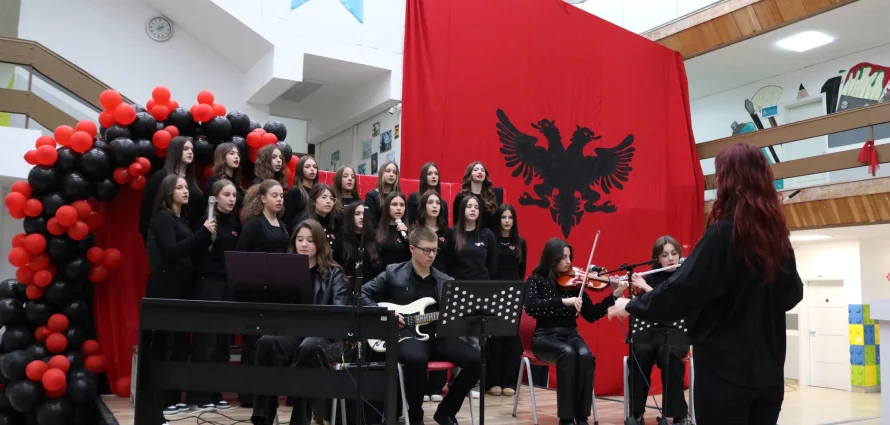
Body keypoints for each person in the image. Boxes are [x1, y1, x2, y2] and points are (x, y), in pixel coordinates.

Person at [608, 142, 804, 425]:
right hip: (769, 376)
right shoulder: (776, 240)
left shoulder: (723, 234)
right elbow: (792, 295)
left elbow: (682, 291)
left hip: (725, 377)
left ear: (727, 181)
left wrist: (633, 304)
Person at [361, 227, 480, 425]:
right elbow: (363, 293)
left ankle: (446, 411)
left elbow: (455, 317)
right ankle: (415, 413)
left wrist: (470, 314)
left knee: (476, 360)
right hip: (405, 333)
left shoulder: (445, 281)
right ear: (412, 249)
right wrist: (387, 314)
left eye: (435, 250)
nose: (431, 255)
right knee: (417, 358)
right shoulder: (393, 272)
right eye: (426, 250)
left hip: (437, 336)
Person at [250, 219, 350, 425]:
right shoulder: (285, 271)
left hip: (328, 339)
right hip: (294, 333)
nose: (304, 244)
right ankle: (262, 415)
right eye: (300, 239)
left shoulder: (334, 273)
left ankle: (300, 419)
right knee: (266, 342)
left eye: (310, 240)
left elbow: (338, 315)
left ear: (320, 243)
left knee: (309, 347)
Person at [524, 238, 627, 425]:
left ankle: (582, 417)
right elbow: (531, 307)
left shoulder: (575, 283)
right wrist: (563, 301)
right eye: (563, 257)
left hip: (570, 334)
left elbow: (592, 314)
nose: (569, 261)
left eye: (569, 257)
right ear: (552, 258)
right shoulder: (535, 280)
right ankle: (566, 418)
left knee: (586, 355)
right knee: (568, 353)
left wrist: (616, 295)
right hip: (544, 336)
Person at [145, 174, 216, 420]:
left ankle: (174, 398)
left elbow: (188, 248)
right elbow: (171, 251)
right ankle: (159, 401)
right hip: (166, 287)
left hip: (182, 287)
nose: (186, 191)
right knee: (165, 343)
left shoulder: (181, 219)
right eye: (180, 187)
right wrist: (200, 233)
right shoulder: (164, 217)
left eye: (187, 187)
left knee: (180, 344)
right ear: (167, 192)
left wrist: (203, 235)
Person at [234, 179, 289, 407]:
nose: (279, 199)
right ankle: (248, 394)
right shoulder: (255, 224)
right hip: (256, 291)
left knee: (271, 342)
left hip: (276, 292)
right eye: (274, 195)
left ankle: (267, 392)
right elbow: (239, 255)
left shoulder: (283, 225)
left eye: (281, 196)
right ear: (263, 198)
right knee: (253, 342)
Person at [187, 179, 241, 412]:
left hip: (227, 286)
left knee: (221, 341)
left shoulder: (235, 222)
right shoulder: (207, 221)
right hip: (208, 284)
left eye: (234, 195)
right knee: (206, 340)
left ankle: (216, 391)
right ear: (215, 197)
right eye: (227, 195)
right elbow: (196, 254)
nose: (231, 199)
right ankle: (199, 394)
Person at [625, 236, 688, 425]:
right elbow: (639, 307)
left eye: (674, 253)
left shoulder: (685, 276)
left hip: (677, 332)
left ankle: (678, 415)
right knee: (639, 351)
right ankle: (636, 413)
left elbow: (672, 303)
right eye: (665, 255)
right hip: (651, 332)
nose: (671, 258)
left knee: (668, 354)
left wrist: (647, 289)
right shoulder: (650, 277)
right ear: (657, 259)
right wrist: (627, 289)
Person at [485, 204, 526, 396]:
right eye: (503, 217)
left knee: (510, 338)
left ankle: (509, 381)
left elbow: (521, 270)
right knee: (494, 338)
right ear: (498, 219)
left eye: (510, 217)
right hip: (493, 291)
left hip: (514, 292)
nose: (507, 221)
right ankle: (492, 381)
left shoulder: (520, 242)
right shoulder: (490, 239)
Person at [139, 136, 201, 243]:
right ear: (175, 151)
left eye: (192, 149)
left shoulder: (193, 181)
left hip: (189, 242)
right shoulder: (160, 178)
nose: (190, 152)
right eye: (185, 149)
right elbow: (147, 213)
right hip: (166, 242)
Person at [362, 191, 411, 279]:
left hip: (403, 280)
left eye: (402, 205)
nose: (398, 208)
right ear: (387, 207)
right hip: (381, 279)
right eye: (394, 204)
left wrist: (408, 235)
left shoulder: (410, 233)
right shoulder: (376, 233)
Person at [446, 196, 497, 280]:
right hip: (459, 283)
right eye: (469, 206)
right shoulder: (452, 233)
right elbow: (447, 262)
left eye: (476, 207)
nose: (473, 209)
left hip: (482, 283)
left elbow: (493, 265)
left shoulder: (487, 234)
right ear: (462, 209)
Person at [451, 161, 502, 232]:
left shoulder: (491, 196)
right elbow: (457, 222)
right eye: (476, 170)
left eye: (482, 170)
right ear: (470, 174)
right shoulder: (461, 197)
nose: (480, 172)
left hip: (487, 238)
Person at [202, 142, 244, 213]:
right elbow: (206, 208)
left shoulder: (236, 182)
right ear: (222, 156)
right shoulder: (214, 181)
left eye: (238, 154)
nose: (236, 156)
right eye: (232, 153)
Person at [407, 162, 449, 226]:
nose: (434, 176)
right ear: (424, 177)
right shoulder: (414, 198)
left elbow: (445, 227)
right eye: (429, 174)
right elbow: (408, 223)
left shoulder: (442, 203)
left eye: (436, 174)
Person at [283, 155, 319, 230]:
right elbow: (288, 219)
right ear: (300, 170)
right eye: (307, 166)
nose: (312, 169)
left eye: (314, 167)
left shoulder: (319, 192)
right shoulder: (296, 192)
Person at [332, 201, 364, 285]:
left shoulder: (373, 240)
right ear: (350, 217)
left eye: (364, 214)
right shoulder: (341, 242)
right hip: (347, 288)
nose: (362, 217)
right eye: (357, 214)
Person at [363, 161, 401, 228]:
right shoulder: (371, 196)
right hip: (378, 234)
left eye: (395, 172)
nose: (391, 174)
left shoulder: (399, 196)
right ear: (381, 173)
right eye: (388, 171)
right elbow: (371, 222)